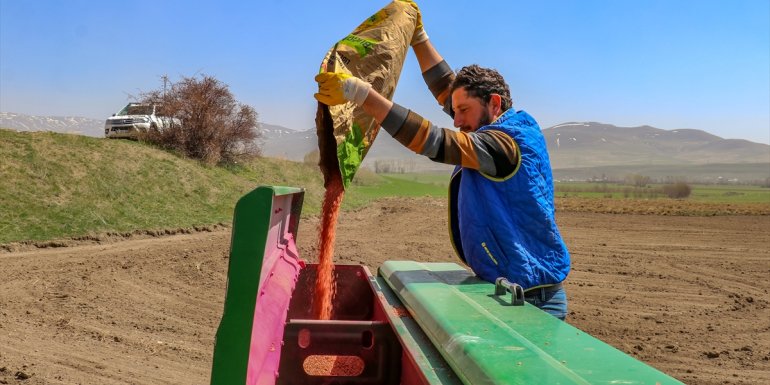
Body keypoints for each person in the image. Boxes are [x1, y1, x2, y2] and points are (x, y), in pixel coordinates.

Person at [314, 1, 570, 320]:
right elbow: (447, 89)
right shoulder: (494, 124)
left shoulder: (505, 145)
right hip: (509, 287)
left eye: (463, 111)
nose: (456, 119)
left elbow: (436, 142)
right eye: (455, 110)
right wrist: (419, 39)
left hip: (531, 298)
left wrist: (362, 95)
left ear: (494, 104)